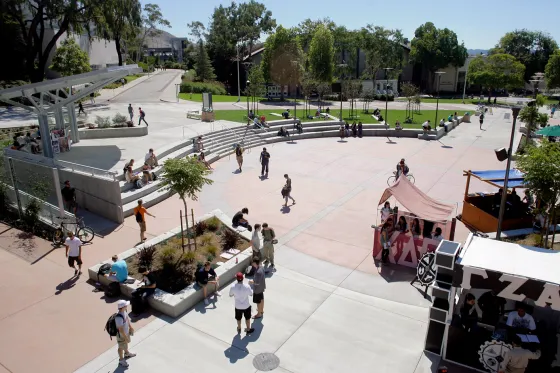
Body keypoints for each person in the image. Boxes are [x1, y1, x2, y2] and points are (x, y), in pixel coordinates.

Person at [115, 300, 136, 367]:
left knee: (125, 343)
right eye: (126, 305)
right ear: (122, 307)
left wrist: (130, 327)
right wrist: (126, 337)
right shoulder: (118, 317)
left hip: (126, 332)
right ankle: (121, 360)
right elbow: (120, 329)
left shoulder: (124, 311)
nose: (127, 306)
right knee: (121, 347)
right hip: (121, 335)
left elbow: (127, 319)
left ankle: (126, 353)